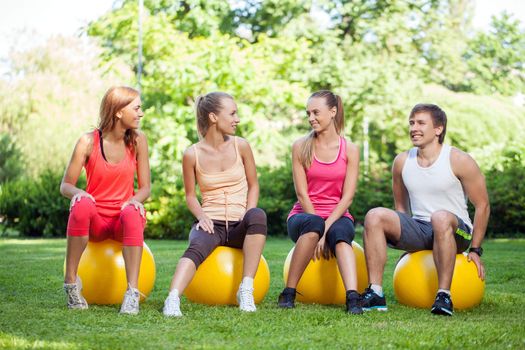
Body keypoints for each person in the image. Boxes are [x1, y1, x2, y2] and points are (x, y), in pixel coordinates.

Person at [362, 103, 489, 316]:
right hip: (421, 228)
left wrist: (475, 250)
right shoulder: (402, 161)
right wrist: (407, 240)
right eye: (411, 123)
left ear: (438, 129)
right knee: (374, 216)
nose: (414, 128)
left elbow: (482, 205)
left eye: (421, 123)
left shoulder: (458, 159)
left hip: (457, 230)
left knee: (439, 217)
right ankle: (375, 293)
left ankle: (443, 296)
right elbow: (401, 207)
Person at [162, 92, 267, 317]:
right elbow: (190, 196)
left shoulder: (242, 146)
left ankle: (245, 289)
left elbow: (254, 185)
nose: (237, 119)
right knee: (195, 248)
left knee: (258, 215)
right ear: (213, 117)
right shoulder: (192, 154)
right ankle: (172, 300)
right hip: (212, 223)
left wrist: (247, 216)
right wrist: (201, 217)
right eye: (232, 113)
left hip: (240, 224)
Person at [60, 86, 151, 314]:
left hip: (123, 221)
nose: (141, 113)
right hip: (95, 224)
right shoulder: (87, 142)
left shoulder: (138, 140)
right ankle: (71, 283)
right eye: (137, 108)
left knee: (133, 209)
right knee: (82, 204)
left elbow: (146, 188)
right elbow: (65, 185)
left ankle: (132, 292)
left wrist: (133, 201)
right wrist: (78, 193)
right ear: (118, 111)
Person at [277, 90, 362, 314]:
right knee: (314, 224)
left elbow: (348, 197)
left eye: (316, 112)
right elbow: (302, 194)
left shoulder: (350, 150)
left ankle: (353, 297)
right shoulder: (300, 147)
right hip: (303, 216)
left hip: (338, 215)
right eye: (308, 113)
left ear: (333, 112)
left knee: (342, 235)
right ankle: (288, 292)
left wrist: (326, 230)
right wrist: (319, 228)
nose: (311, 118)